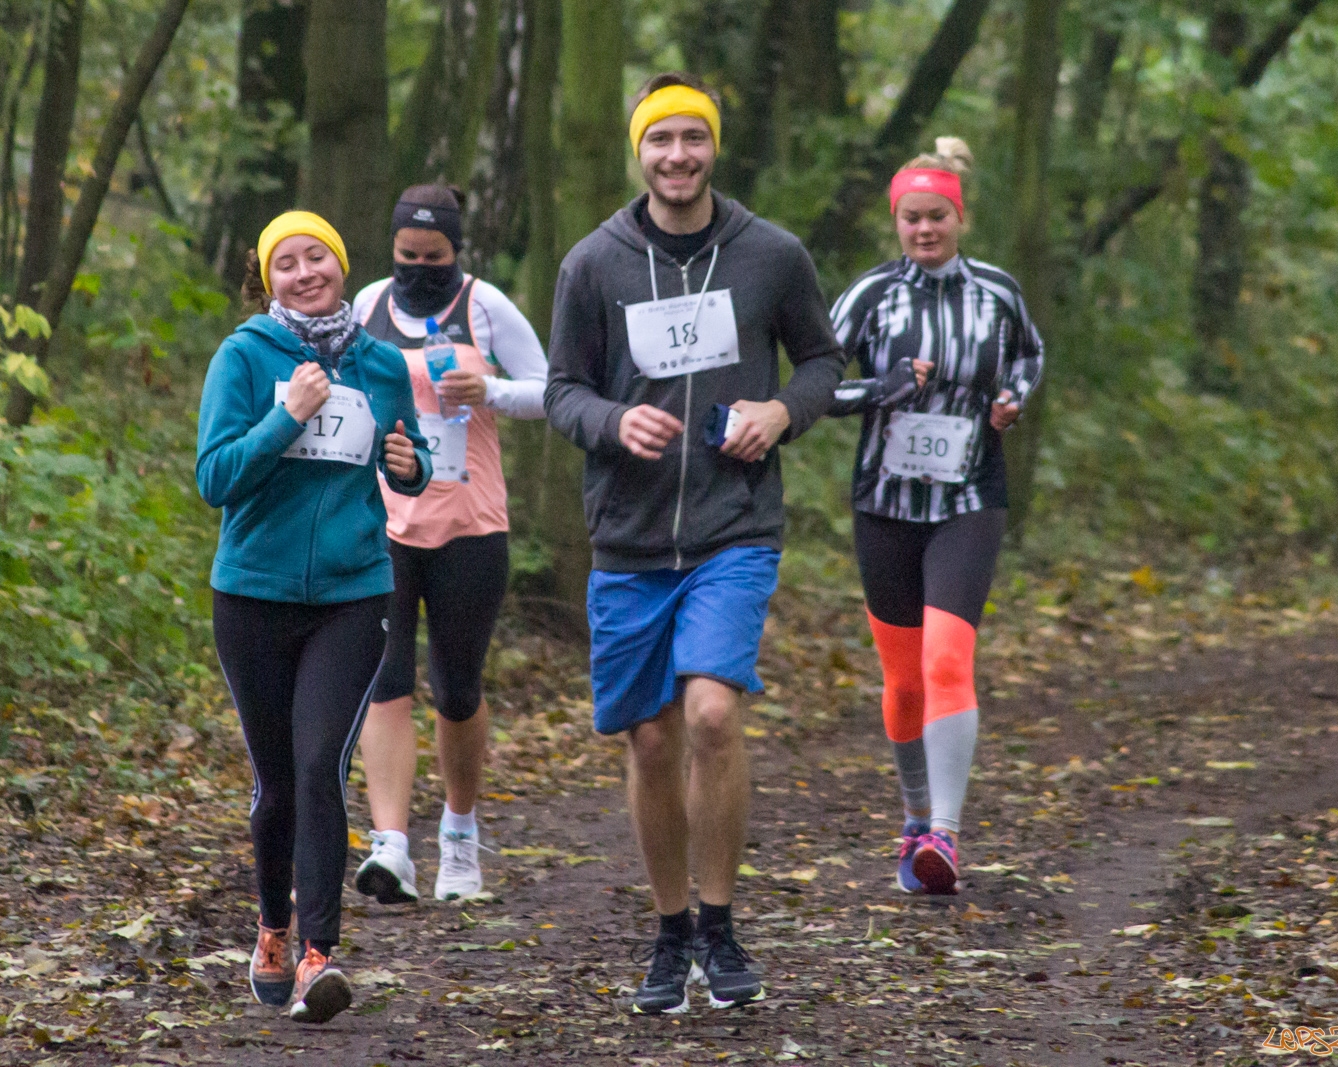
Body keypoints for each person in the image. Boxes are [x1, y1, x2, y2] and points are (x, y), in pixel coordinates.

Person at [545, 73, 844, 1015]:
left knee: (712, 714)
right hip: (629, 538)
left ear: (715, 146)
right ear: (638, 151)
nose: (678, 155)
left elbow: (824, 362)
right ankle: (671, 930)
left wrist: (781, 411)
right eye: (661, 140)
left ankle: (720, 923)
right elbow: (560, 389)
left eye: (694, 138)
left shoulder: (771, 255)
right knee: (648, 737)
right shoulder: (593, 263)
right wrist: (612, 421)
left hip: (732, 529)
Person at [196, 211, 432, 1023]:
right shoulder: (243, 356)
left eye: (317, 257)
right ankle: (272, 925)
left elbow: (407, 462)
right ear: (268, 279)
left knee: (321, 763)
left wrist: (412, 464)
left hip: (352, 593)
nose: (304, 273)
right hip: (253, 596)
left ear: (341, 264)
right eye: (287, 263)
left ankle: (318, 956)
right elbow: (216, 477)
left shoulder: (383, 364)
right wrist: (286, 415)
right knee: (277, 785)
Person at [827, 138, 1043, 896]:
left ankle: (945, 835)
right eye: (911, 218)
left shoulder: (998, 293)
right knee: (903, 678)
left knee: (948, 660)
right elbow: (817, 385)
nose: (924, 229)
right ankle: (915, 815)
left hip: (969, 497)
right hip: (885, 503)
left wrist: (1013, 399)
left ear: (961, 218)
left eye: (937, 216)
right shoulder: (869, 296)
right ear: (896, 222)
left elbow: (1030, 355)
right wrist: (881, 387)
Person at [348, 184, 549, 903]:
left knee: (458, 690)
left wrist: (489, 389)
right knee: (384, 679)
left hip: (470, 525)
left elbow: (551, 389)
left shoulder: (484, 306)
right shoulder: (367, 305)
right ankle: (392, 844)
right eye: (407, 254)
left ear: (457, 251)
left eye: (434, 257)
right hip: (381, 525)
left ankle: (459, 834)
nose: (419, 268)